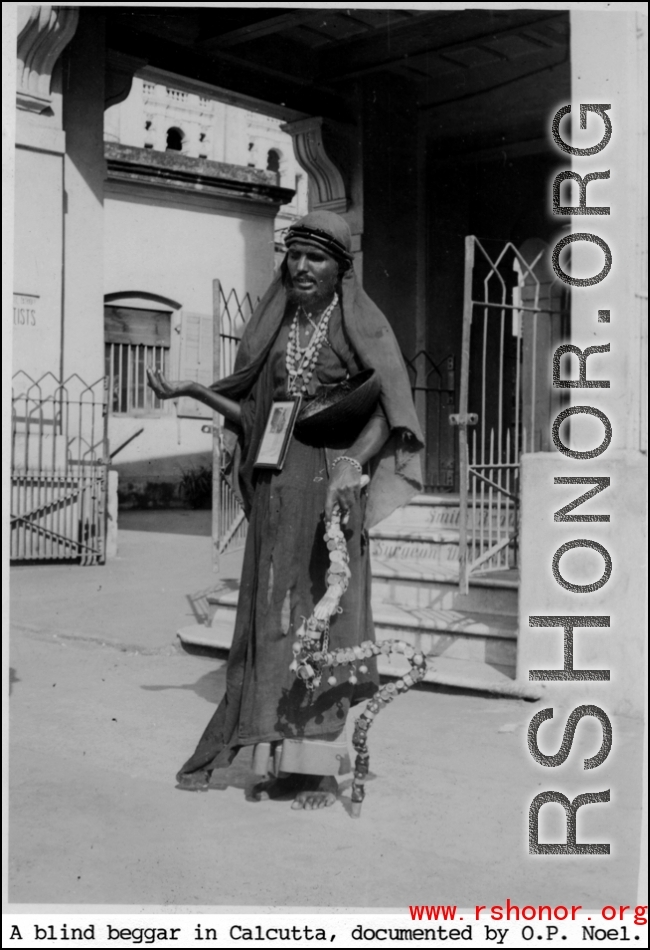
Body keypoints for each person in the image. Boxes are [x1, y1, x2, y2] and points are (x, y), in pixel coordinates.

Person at [147, 211, 423, 810]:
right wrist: (195, 391)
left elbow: (387, 413)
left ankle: (317, 770)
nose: (301, 267)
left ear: (340, 270)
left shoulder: (358, 327)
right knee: (274, 618)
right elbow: (256, 415)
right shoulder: (276, 331)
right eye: (294, 255)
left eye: (316, 258)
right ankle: (276, 756)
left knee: (325, 618)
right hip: (277, 487)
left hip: (330, 485)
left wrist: (350, 468)